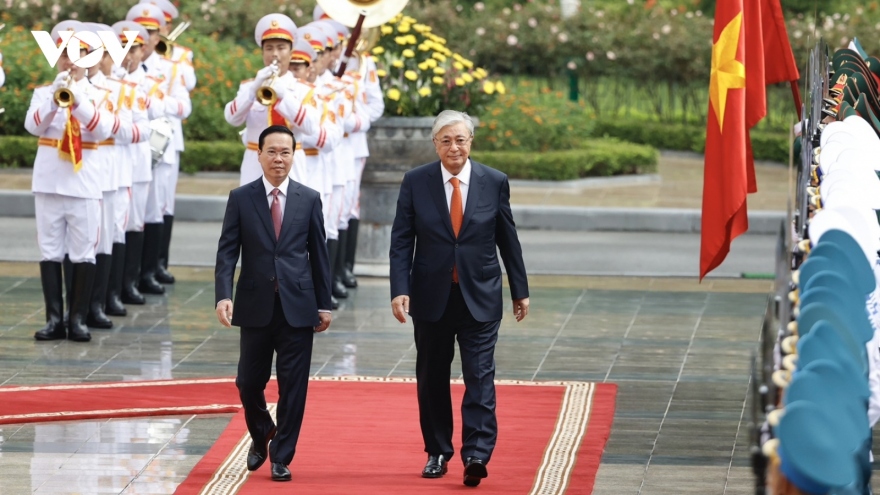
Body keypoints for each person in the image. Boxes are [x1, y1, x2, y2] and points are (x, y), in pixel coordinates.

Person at [389, 110, 530, 487]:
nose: (454, 147)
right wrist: (399, 289)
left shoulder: (494, 181)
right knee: (432, 376)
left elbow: (507, 238)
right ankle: (437, 451)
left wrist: (520, 289)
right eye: (446, 140)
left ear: (471, 142)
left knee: (479, 375)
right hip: (431, 296)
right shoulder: (416, 182)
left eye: (461, 140)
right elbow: (402, 240)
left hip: (480, 296)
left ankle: (477, 454)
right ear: (435, 144)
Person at [214, 125, 332, 482]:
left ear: (294, 155)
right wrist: (223, 294)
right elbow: (226, 252)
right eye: (272, 152)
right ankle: (262, 429)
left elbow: (320, 255)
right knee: (248, 381)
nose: (278, 158)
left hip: (298, 305)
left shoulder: (309, 198)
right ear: (259, 154)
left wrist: (323, 304)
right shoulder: (241, 197)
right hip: (254, 304)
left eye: (285, 152)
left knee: (294, 386)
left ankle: (281, 455)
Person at [25, 20, 114, 342]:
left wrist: (76, 99)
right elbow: (33, 126)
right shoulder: (42, 92)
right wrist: (54, 98)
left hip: (84, 183)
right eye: (65, 54)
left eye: (79, 54)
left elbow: (103, 130)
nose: (71, 61)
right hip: (48, 181)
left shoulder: (101, 94)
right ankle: (53, 319)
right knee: (50, 251)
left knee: (83, 252)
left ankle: (77, 318)